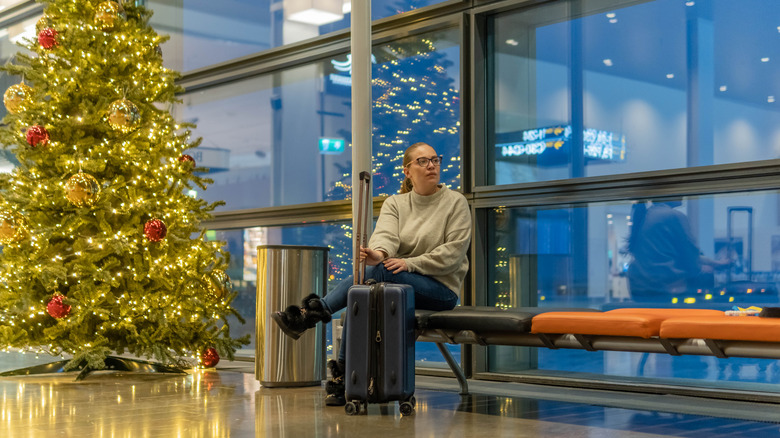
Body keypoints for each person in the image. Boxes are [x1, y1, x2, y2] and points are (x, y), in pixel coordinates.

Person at [271, 142, 471, 406]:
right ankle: (343, 379)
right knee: (363, 293)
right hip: (398, 281)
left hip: (440, 289)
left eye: (435, 159)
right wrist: (380, 253)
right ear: (408, 172)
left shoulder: (455, 202)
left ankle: (312, 315)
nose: (431, 165)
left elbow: (453, 253)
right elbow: (385, 236)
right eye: (422, 161)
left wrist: (410, 264)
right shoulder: (396, 203)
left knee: (376, 275)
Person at [626, 198, 730, 302]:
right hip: (664, 288)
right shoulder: (673, 215)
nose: (683, 195)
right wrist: (705, 267)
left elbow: (685, 255)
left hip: (640, 287)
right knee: (707, 277)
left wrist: (715, 263)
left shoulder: (647, 214)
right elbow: (690, 258)